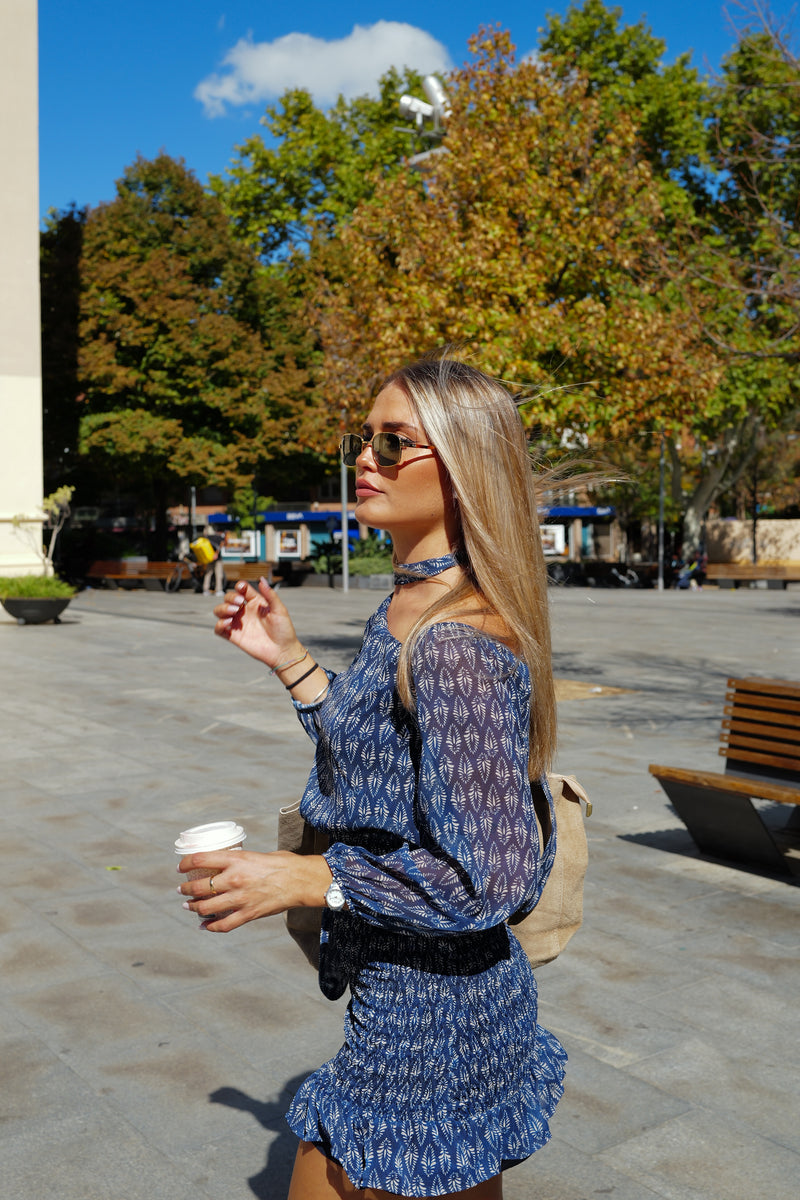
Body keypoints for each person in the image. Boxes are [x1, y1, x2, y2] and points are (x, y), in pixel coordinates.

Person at [178, 355, 566, 1199]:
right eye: (366, 439)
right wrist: (289, 661)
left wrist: (308, 875)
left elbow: (488, 879)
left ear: (462, 471)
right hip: (411, 994)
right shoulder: (406, 606)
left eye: (394, 444)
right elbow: (375, 761)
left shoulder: (456, 644)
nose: (366, 459)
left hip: (438, 1021)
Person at [202, 524, 225, 596]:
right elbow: (222, 544)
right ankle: (219, 590)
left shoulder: (206, 538)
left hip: (209, 558)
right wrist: (217, 553)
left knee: (208, 574)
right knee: (219, 574)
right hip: (217, 559)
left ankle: (205, 589)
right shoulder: (219, 537)